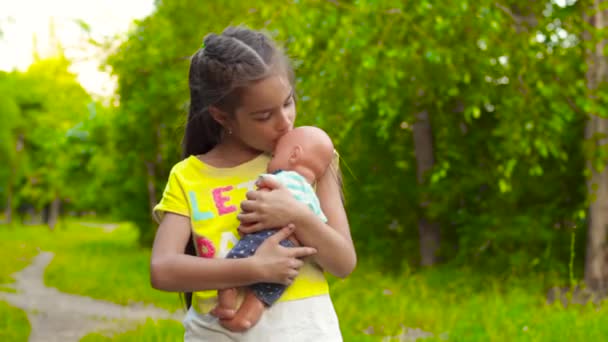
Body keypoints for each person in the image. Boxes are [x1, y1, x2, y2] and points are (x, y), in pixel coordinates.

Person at [150, 25, 357, 341]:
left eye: (288, 102)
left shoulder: (311, 159)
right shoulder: (189, 176)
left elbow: (343, 263)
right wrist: (254, 268)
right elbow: (162, 269)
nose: (285, 122)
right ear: (222, 116)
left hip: (305, 331)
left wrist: (297, 215)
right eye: (264, 116)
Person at [216, 126, 335, 332]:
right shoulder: (312, 196)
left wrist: (246, 226)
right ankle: (246, 317)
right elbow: (319, 225)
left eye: (275, 154)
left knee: (231, 270)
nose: (270, 161)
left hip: (264, 238)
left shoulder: (279, 178)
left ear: (294, 154)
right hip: (291, 253)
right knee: (264, 292)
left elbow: (254, 204)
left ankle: (226, 307)